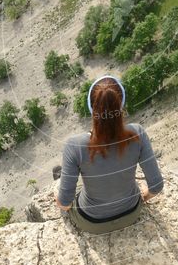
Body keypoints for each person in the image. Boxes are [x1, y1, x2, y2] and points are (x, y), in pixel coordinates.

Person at [54, 75, 163, 234]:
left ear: (92, 109)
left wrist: (57, 194)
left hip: (92, 223)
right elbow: (156, 186)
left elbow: (64, 204)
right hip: (131, 214)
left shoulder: (75, 145)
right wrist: (140, 199)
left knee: (60, 184)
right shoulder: (137, 134)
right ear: (122, 106)